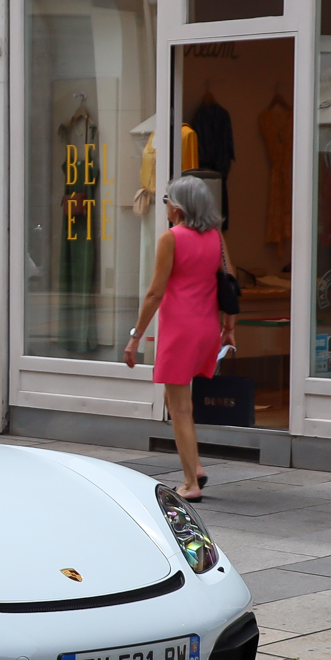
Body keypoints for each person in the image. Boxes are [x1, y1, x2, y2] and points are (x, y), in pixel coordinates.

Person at [121, 175, 229, 501]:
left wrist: (135, 337)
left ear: (178, 207)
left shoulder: (172, 238)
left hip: (179, 331)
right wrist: (230, 326)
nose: (165, 205)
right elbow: (229, 282)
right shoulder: (216, 237)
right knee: (176, 397)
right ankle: (195, 465)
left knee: (180, 408)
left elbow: (155, 293)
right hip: (207, 328)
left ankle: (190, 483)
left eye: (167, 200)